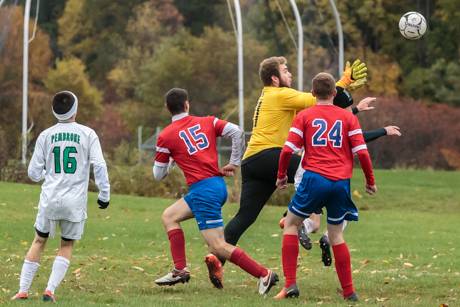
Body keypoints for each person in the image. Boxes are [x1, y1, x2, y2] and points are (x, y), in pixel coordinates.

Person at [224, 56, 368, 248]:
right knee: (315, 172)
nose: (289, 73)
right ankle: (294, 217)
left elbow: (323, 114)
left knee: (245, 217)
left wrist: (354, 109)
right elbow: (319, 97)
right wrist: (343, 82)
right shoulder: (281, 94)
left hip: (252, 161)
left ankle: (217, 255)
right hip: (269, 155)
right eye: (285, 70)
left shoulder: (270, 96)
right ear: (275, 78)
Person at [153, 88, 278, 295]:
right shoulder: (207, 121)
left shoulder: (166, 136)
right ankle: (179, 270)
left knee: (219, 246)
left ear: (167, 108)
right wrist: (234, 162)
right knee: (169, 216)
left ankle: (264, 274)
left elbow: (158, 175)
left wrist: (172, 161)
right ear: (187, 105)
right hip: (215, 187)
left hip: (204, 192)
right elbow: (237, 132)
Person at [274, 73, 377, 300]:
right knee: (336, 234)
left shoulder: (305, 115)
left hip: (314, 179)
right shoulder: (348, 118)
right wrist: (370, 181)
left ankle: (290, 285)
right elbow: (362, 153)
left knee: (290, 224)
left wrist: (281, 176)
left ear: (312, 93)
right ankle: (349, 292)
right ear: (334, 93)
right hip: (340, 182)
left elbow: (287, 150)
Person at [279, 89, 401, 266]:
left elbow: (289, 149)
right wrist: (383, 130)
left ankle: (301, 230)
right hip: (326, 175)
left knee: (311, 222)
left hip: (306, 174)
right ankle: (325, 240)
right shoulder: (340, 118)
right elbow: (359, 141)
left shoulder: (312, 115)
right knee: (339, 222)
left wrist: (358, 108)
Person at [11, 91, 110, 302]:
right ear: (76, 109)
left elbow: (33, 173)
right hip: (74, 201)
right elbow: (99, 165)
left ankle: (22, 290)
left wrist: (49, 175)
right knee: (66, 245)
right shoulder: (88, 133)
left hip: (49, 198)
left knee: (39, 240)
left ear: (54, 110)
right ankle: (50, 290)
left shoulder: (46, 135)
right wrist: (104, 193)